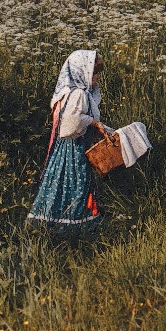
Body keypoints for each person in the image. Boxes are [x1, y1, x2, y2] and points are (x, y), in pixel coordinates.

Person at [27, 50, 108, 235]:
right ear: (81, 72)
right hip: (72, 148)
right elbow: (71, 123)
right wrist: (94, 123)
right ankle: (71, 226)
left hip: (69, 147)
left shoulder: (71, 92)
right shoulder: (78, 93)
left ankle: (55, 222)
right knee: (75, 183)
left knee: (61, 183)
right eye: (93, 73)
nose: (96, 78)